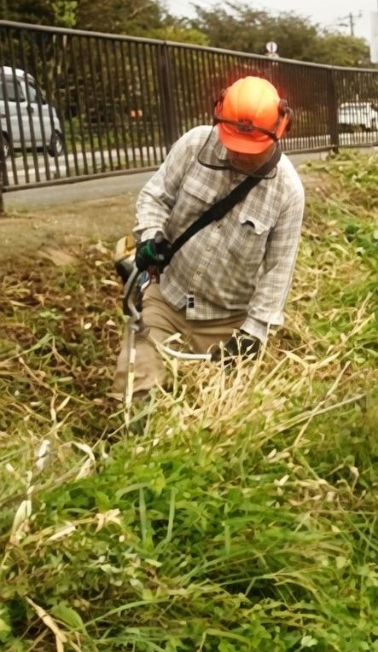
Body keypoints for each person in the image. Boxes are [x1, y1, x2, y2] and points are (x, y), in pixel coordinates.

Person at [113, 75, 305, 405]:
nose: (240, 156)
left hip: (227, 320)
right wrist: (150, 235)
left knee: (220, 412)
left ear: (280, 130)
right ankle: (132, 443)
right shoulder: (194, 146)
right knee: (136, 386)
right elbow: (154, 197)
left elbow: (278, 272)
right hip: (168, 300)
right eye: (234, 144)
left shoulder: (287, 191)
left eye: (251, 150)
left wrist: (254, 332)